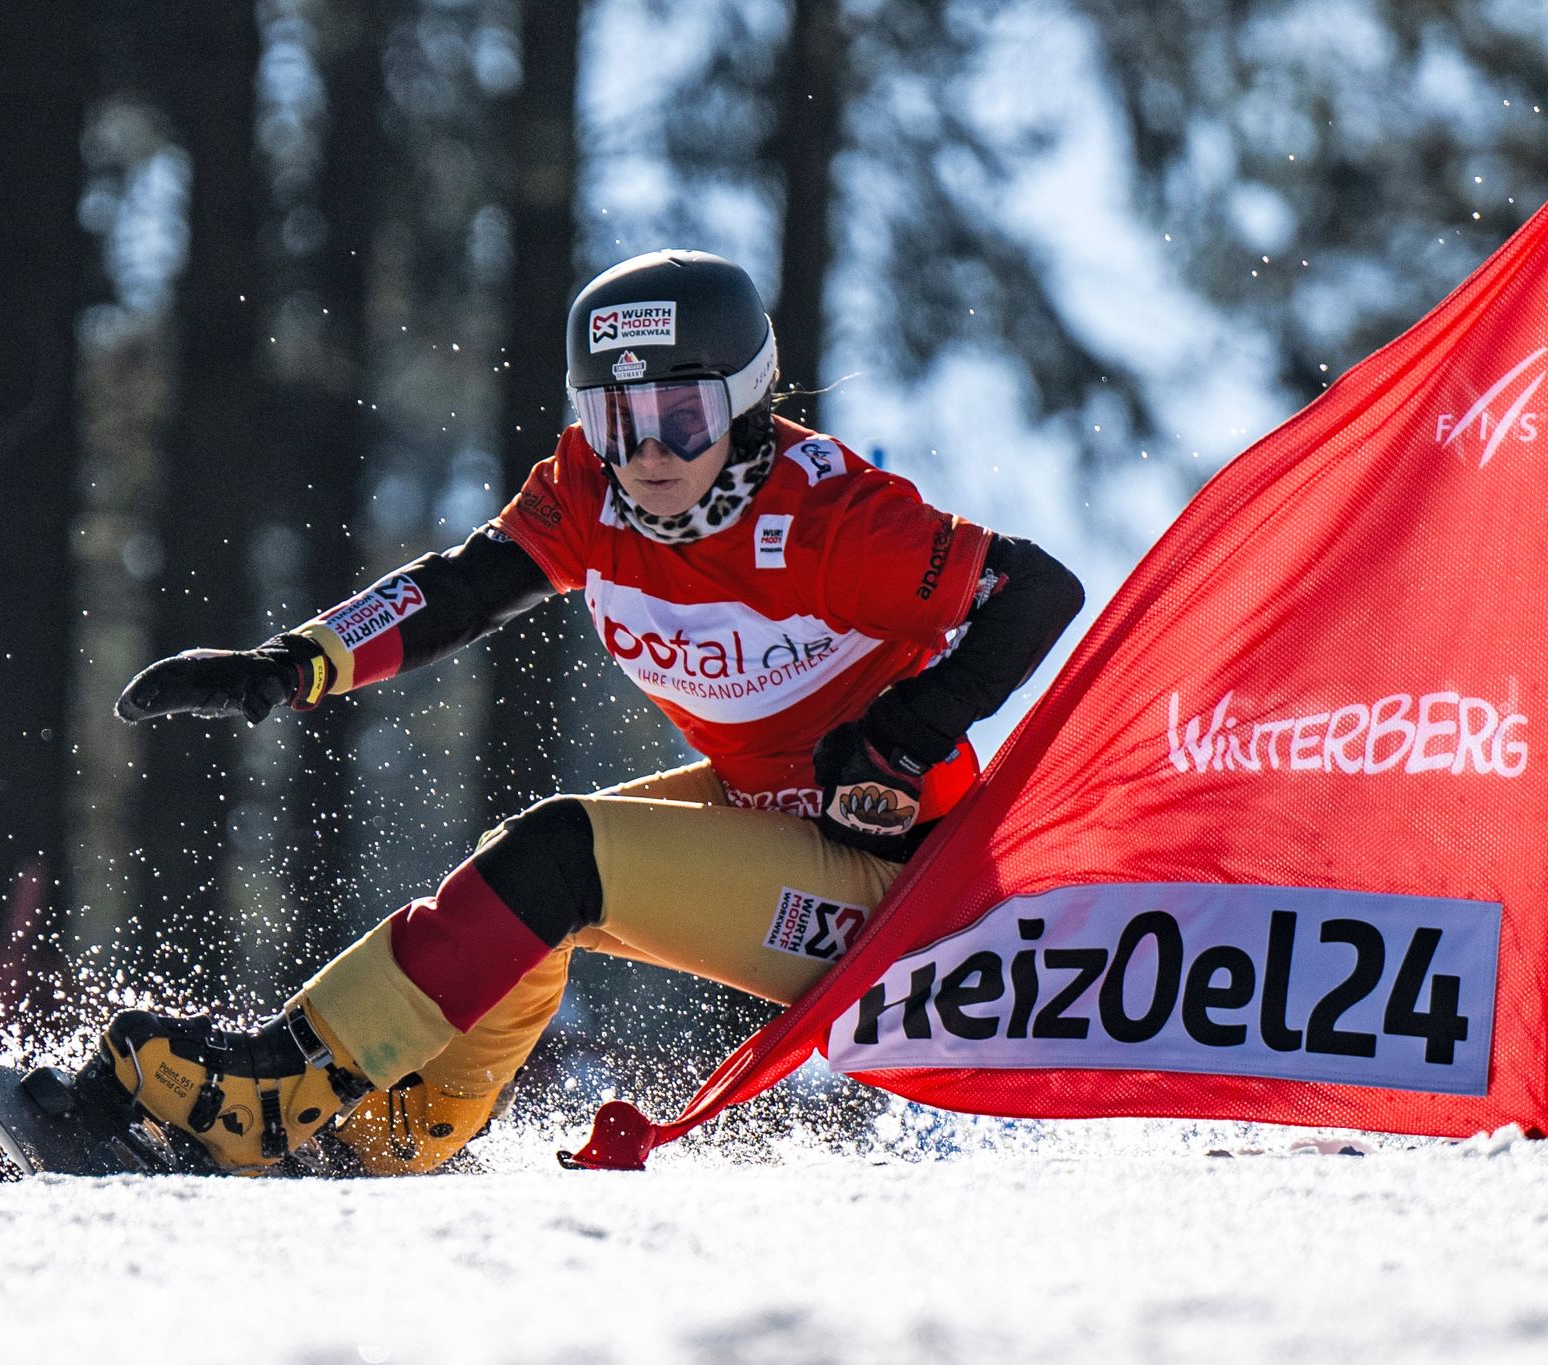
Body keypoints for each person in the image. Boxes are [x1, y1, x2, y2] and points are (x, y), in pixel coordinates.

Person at [90, 249, 1085, 1174]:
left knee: (561, 857)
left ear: (745, 405)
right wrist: (292, 662)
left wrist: (907, 727)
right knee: (519, 879)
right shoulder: (587, 495)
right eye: (616, 419)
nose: (647, 453)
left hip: (903, 894)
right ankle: (402, 1128)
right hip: (773, 814)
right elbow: (463, 588)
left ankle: (277, 1095)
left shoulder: (829, 521)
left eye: (681, 417)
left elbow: (1036, 592)